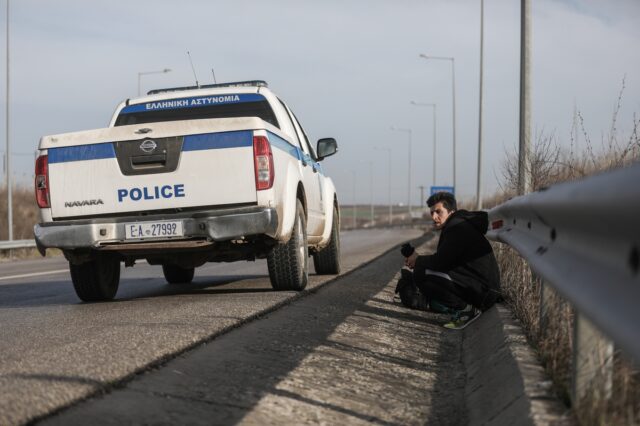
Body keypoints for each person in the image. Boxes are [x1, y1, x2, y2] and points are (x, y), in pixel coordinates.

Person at [403, 192, 501, 329]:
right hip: (484, 289)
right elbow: (444, 261)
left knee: (420, 272)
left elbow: (440, 262)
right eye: (432, 213)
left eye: (438, 212)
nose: (434, 217)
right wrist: (419, 259)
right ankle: (464, 307)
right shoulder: (456, 224)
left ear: (451, 211)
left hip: (483, 293)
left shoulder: (457, 228)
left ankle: (466, 309)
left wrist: (417, 260)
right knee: (423, 268)